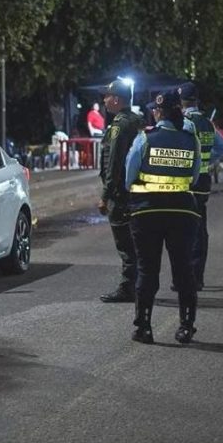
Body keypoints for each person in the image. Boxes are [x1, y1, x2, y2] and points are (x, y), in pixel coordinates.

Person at [124, 91, 202, 344]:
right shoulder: (191, 140)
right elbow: (194, 178)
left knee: (147, 271)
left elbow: (128, 178)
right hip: (183, 212)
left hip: (147, 212)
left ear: (158, 113)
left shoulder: (144, 138)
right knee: (183, 271)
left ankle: (143, 327)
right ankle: (186, 327)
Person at [176, 82, 223, 292]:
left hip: (186, 182)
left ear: (181, 102)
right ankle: (197, 277)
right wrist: (207, 161)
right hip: (203, 183)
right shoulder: (207, 123)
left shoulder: (184, 123)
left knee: (182, 231)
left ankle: (184, 277)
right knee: (200, 230)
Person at [97, 79, 145, 303]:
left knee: (125, 245)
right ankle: (140, 284)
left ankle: (129, 288)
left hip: (121, 194)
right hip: (138, 191)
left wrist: (106, 195)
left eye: (107, 96)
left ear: (116, 99)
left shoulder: (119, 125)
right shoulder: (137, 120)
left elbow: (114, 163)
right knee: (137, 241)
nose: (104, 100)